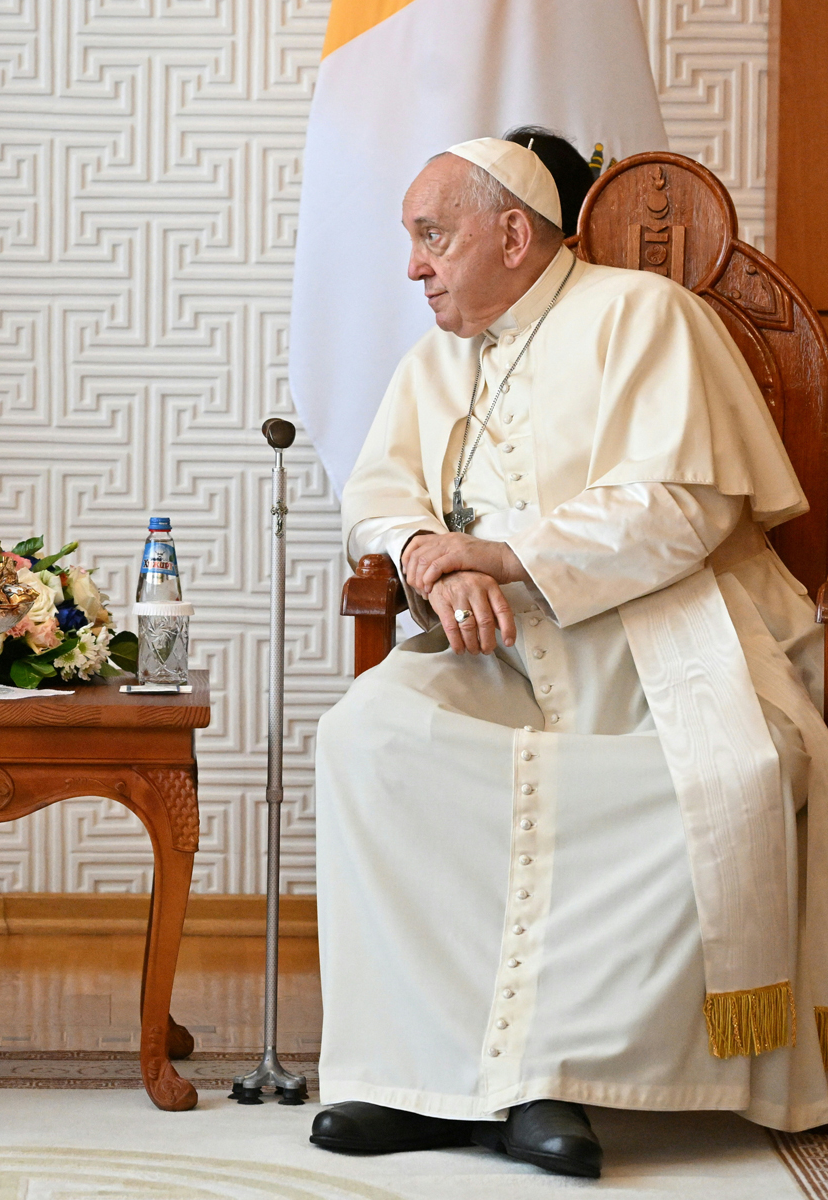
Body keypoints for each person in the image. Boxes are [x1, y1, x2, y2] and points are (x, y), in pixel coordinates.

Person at [309, 138, 828, 1178]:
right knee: (369, 737)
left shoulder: (644, 315)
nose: (414, 266)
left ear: (512, 232)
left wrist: (496, 552)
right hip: (502, 643)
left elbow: (682, 509)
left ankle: (556, 1077)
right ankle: (421, 1076)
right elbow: (375, 496)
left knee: (715, 776)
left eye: (431, 235)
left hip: (670, 635)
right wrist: (426, 556)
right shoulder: (436, 358)